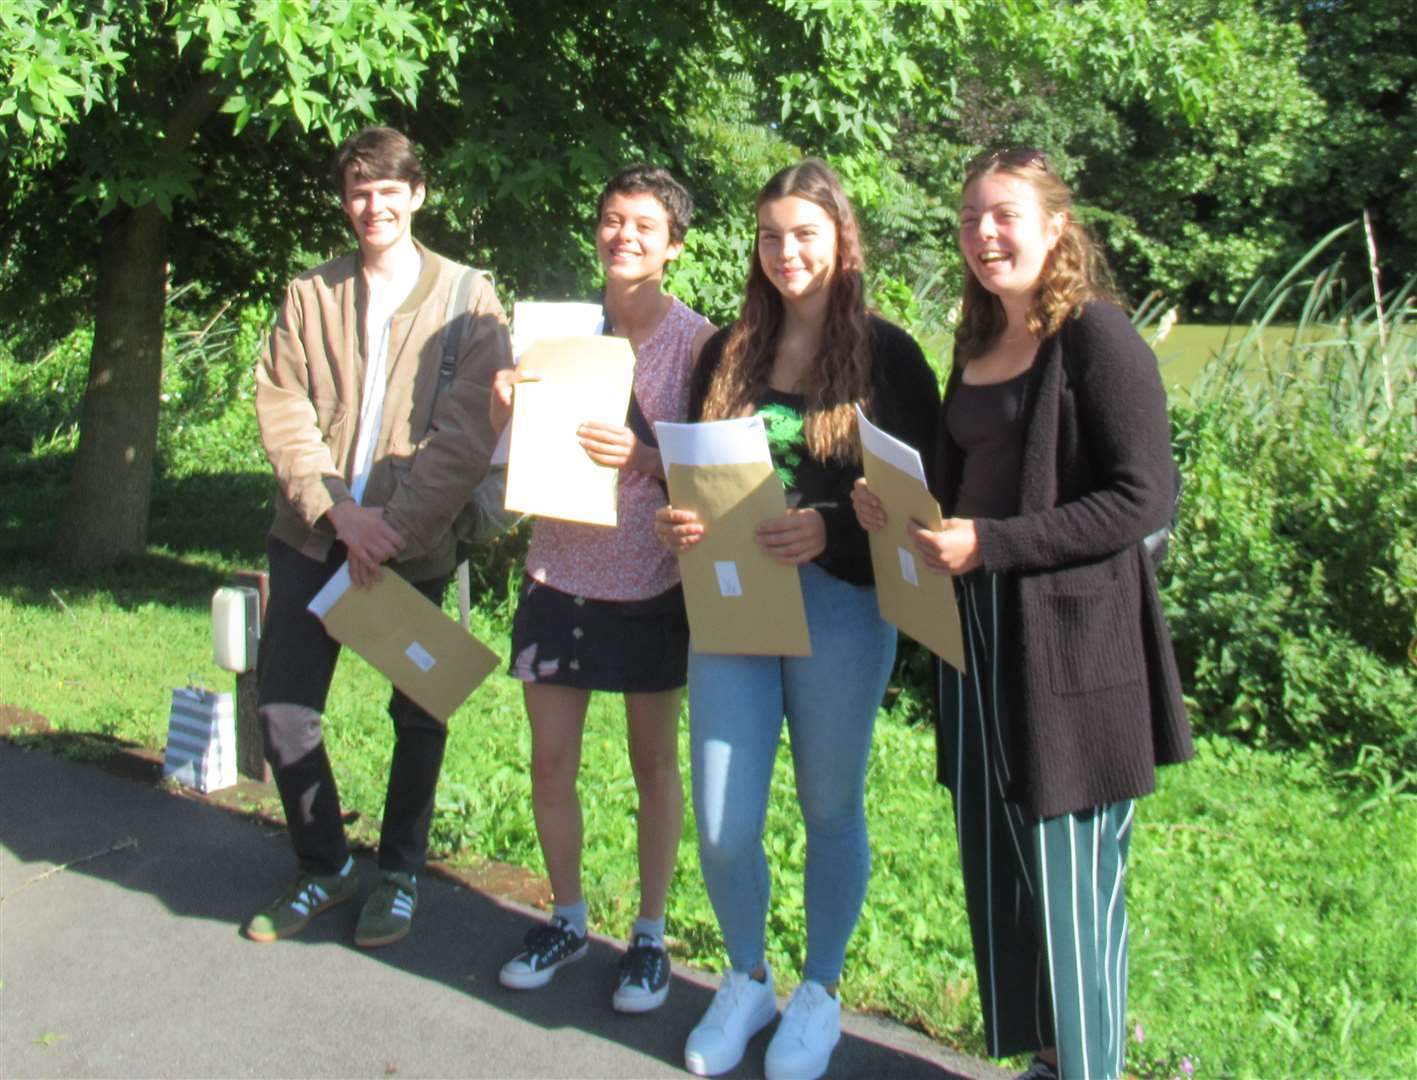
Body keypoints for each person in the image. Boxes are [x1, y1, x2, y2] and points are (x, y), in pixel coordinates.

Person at [852, 147, 1193, 1080]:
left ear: (1055, 224)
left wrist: (991, 546)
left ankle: (1090, 1069)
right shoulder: (975, 344)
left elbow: (1141, 500)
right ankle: (1047, 1060)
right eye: (969, 218)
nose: (983, 235)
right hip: (976, 641)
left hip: (1073, 656)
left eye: (1003, 214)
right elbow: (961, 494)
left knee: (1076, 886)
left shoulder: (1096, 338)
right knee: (1006, 872)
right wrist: (902, 513)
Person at [655, 159, 939, 1080]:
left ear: (840, 240)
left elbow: (923, 506)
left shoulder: (889, 357)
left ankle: (818, 991)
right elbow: (693, 471)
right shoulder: (723, 352)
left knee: (828, 806)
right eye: (771, 235)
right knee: (724, 821)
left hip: (842, 610)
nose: (787, 253)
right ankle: (746, 979)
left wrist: (830, 533)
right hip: (731, 603)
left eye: (805, 234)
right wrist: (680, 516)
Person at [245, 126, 510, 949]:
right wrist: (338, 514)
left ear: (417, 195)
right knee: (283, 710)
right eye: (360, 191)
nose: (374, 206)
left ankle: (398, 872)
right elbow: (282, 409)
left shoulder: (470, 299)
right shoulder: (309, 295)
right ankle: (323, 864)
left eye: (389, 189)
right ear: (345, 199)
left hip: (416, 547)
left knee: (419, 713)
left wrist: (389, 531)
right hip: (312, 535)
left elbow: (466, 438)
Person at [488, 166, 715, 1012]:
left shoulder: (699, 344)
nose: (624, 236)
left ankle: (650, 937)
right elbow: (507, 451)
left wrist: (648, 460)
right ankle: (568, 917)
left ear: (673, 247)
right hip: (557, 575)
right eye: (612, 219)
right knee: (551, 763)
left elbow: (713, 467)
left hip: (650, 585)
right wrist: (503, 401)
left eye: (645, 226)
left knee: (654, 765)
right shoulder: (557, 333)